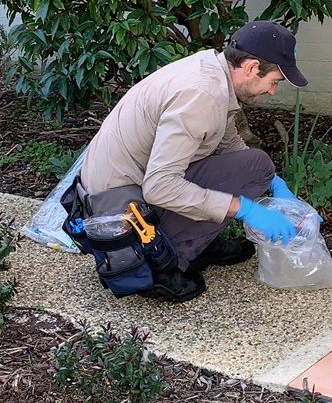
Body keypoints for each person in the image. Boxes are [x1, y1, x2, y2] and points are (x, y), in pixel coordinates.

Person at [78, 21, 308, 303]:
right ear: (250, 68)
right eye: (274, 81)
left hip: (120, 193)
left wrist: (274, 183)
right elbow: (159, 187)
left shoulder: (212, 71)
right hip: (118, 217)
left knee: (259, 167)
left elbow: (228, 144)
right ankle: (163, 261)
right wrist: (242, 208)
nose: (273, 91)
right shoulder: (202, 95)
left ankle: (198, 241)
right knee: (252, 172)